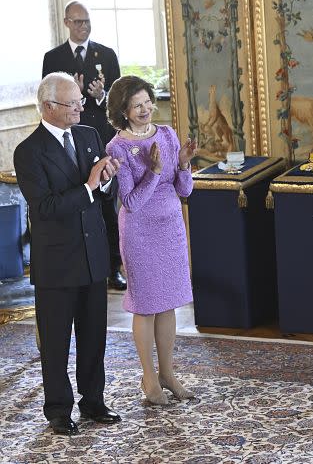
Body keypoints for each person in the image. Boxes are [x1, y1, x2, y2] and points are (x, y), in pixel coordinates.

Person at [13, 72, 122, 435]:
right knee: (57, 342)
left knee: (94, 336)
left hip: (92, 256)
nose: (80, 106)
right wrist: (90, 186)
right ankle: (58, 409)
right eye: (72, 102)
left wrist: (106, 180)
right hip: (57, 262)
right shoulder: (28, 151)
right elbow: (44, 207)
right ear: (48, 107)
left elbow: (103, 192)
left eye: (79, 100)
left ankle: (93, 400)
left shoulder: (89, 135)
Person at [105, 76, 197, 405]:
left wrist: (184, 163)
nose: (145, 109)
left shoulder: (168, 135)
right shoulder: (117, 147)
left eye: (148, 102)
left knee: (168, 303)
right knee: (146, 308)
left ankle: (168, 373)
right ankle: (149, 379)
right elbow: (130, 202)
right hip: (140, 234)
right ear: (123, 111)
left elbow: (184, 190)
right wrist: (155, 171)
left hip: (170, 228)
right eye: (137, 105)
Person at [43, 0, 125, 290]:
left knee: (107, 204)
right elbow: (48, 103)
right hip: (66, 139)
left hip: (98, 137)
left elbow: (118, 101)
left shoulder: (107, 54)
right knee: (74, 198)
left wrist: (100, 96)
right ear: (66, 22)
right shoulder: (53, 58)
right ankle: (79, 263)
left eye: (87, 21)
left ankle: (113, 267)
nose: (83, 26)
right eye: (77, 22)